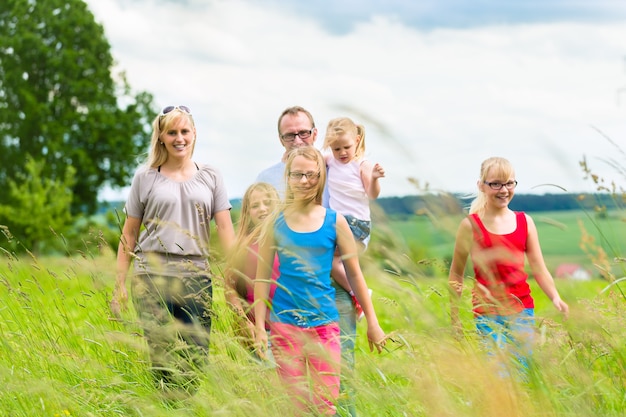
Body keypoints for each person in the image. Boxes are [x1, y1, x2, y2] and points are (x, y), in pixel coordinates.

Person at [253, 146, 387, 416]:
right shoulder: (275, 223)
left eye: (312, 175)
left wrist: (373, 322)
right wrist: (258, 326)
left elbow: (355, 274)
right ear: (288, 177)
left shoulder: (335, 222)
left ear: (321, 177)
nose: (305, 181)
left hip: (324, 326)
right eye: (298, 174)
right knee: (294, 405)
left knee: (325, 404)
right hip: (284, 326)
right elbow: (261, 277)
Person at [110, 105, 235, 393]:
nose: (179, 138)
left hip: (195, 276)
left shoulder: (211, 176)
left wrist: (235, 273)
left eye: (184, 131)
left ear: (194, 135)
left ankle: (185, 407)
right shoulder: (146, 177)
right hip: (151, 275)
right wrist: (120, 284)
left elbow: (226, 229)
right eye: (172, 132)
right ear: (161, 137)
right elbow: (129, 234)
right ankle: (167, 407)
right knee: (162, 356)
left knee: (195, 355)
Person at [448, 156, 569, 378]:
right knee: (499, 377)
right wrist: (454, 315)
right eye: (496, 183)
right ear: (481, 185)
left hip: (522, 312)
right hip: (487, 314)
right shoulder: (470, 226)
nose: (504, 190)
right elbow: (456, 273)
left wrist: (555, 297)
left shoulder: (525, 222)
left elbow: (539, 268)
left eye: (509, 183)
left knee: (522, 375)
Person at [322, 117, 385, 416]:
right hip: (338, 224)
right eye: (335, 148)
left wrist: (374, 178)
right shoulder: (329, 159)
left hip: (357, 225)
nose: (341, 153)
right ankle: (359, 293)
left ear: (357, 141)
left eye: (346, 147)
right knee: (333, 262)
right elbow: (308, 156)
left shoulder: (361, 164)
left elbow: (372, 194)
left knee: (334, 261)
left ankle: (361, 296)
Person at [224, 182, 280, 362]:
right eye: (255, 206)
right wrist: (244, 321)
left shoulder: (288, 239)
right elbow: (229, 288)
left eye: (267, 203)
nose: (262, 209)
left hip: (290, 328)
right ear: (247, 212)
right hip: (259, 331)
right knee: (265, 383)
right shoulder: (243, 246)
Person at [256, 106, 318, 198]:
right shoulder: (265, 180)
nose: (298, 141)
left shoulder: (332, 170)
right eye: (289, 135)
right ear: (281, 140)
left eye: (303, 133)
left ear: (315, 134)